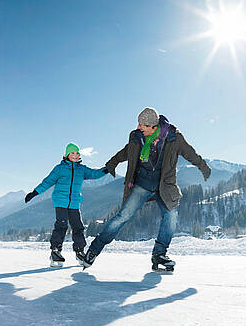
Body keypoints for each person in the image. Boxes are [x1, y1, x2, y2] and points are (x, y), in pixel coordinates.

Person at [77, 107, 211, 272]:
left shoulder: (174, 138)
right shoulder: (137, 138)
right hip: (142, 184)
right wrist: (112, 163)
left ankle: (159, 254)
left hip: (164, 186)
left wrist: (203, 167)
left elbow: (190, 153)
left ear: (153, 127)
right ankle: (93, 251)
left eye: (142, 125)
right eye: (139, 124)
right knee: (122, 216)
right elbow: (125, 152)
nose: (138, 127)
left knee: (171, 216)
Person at [24, 143, 108, 266]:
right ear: (67, 155)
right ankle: (56, 251)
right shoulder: (60, 168)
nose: (75, 155)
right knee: (61, 225)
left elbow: (94, 174)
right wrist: (34, 193)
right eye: (72, 153)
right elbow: (47, 182)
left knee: (78, 226)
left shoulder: (82, 169)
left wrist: (106, 169)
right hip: (60, 201)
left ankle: (79, 251)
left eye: (77, 153)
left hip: (74, 202)